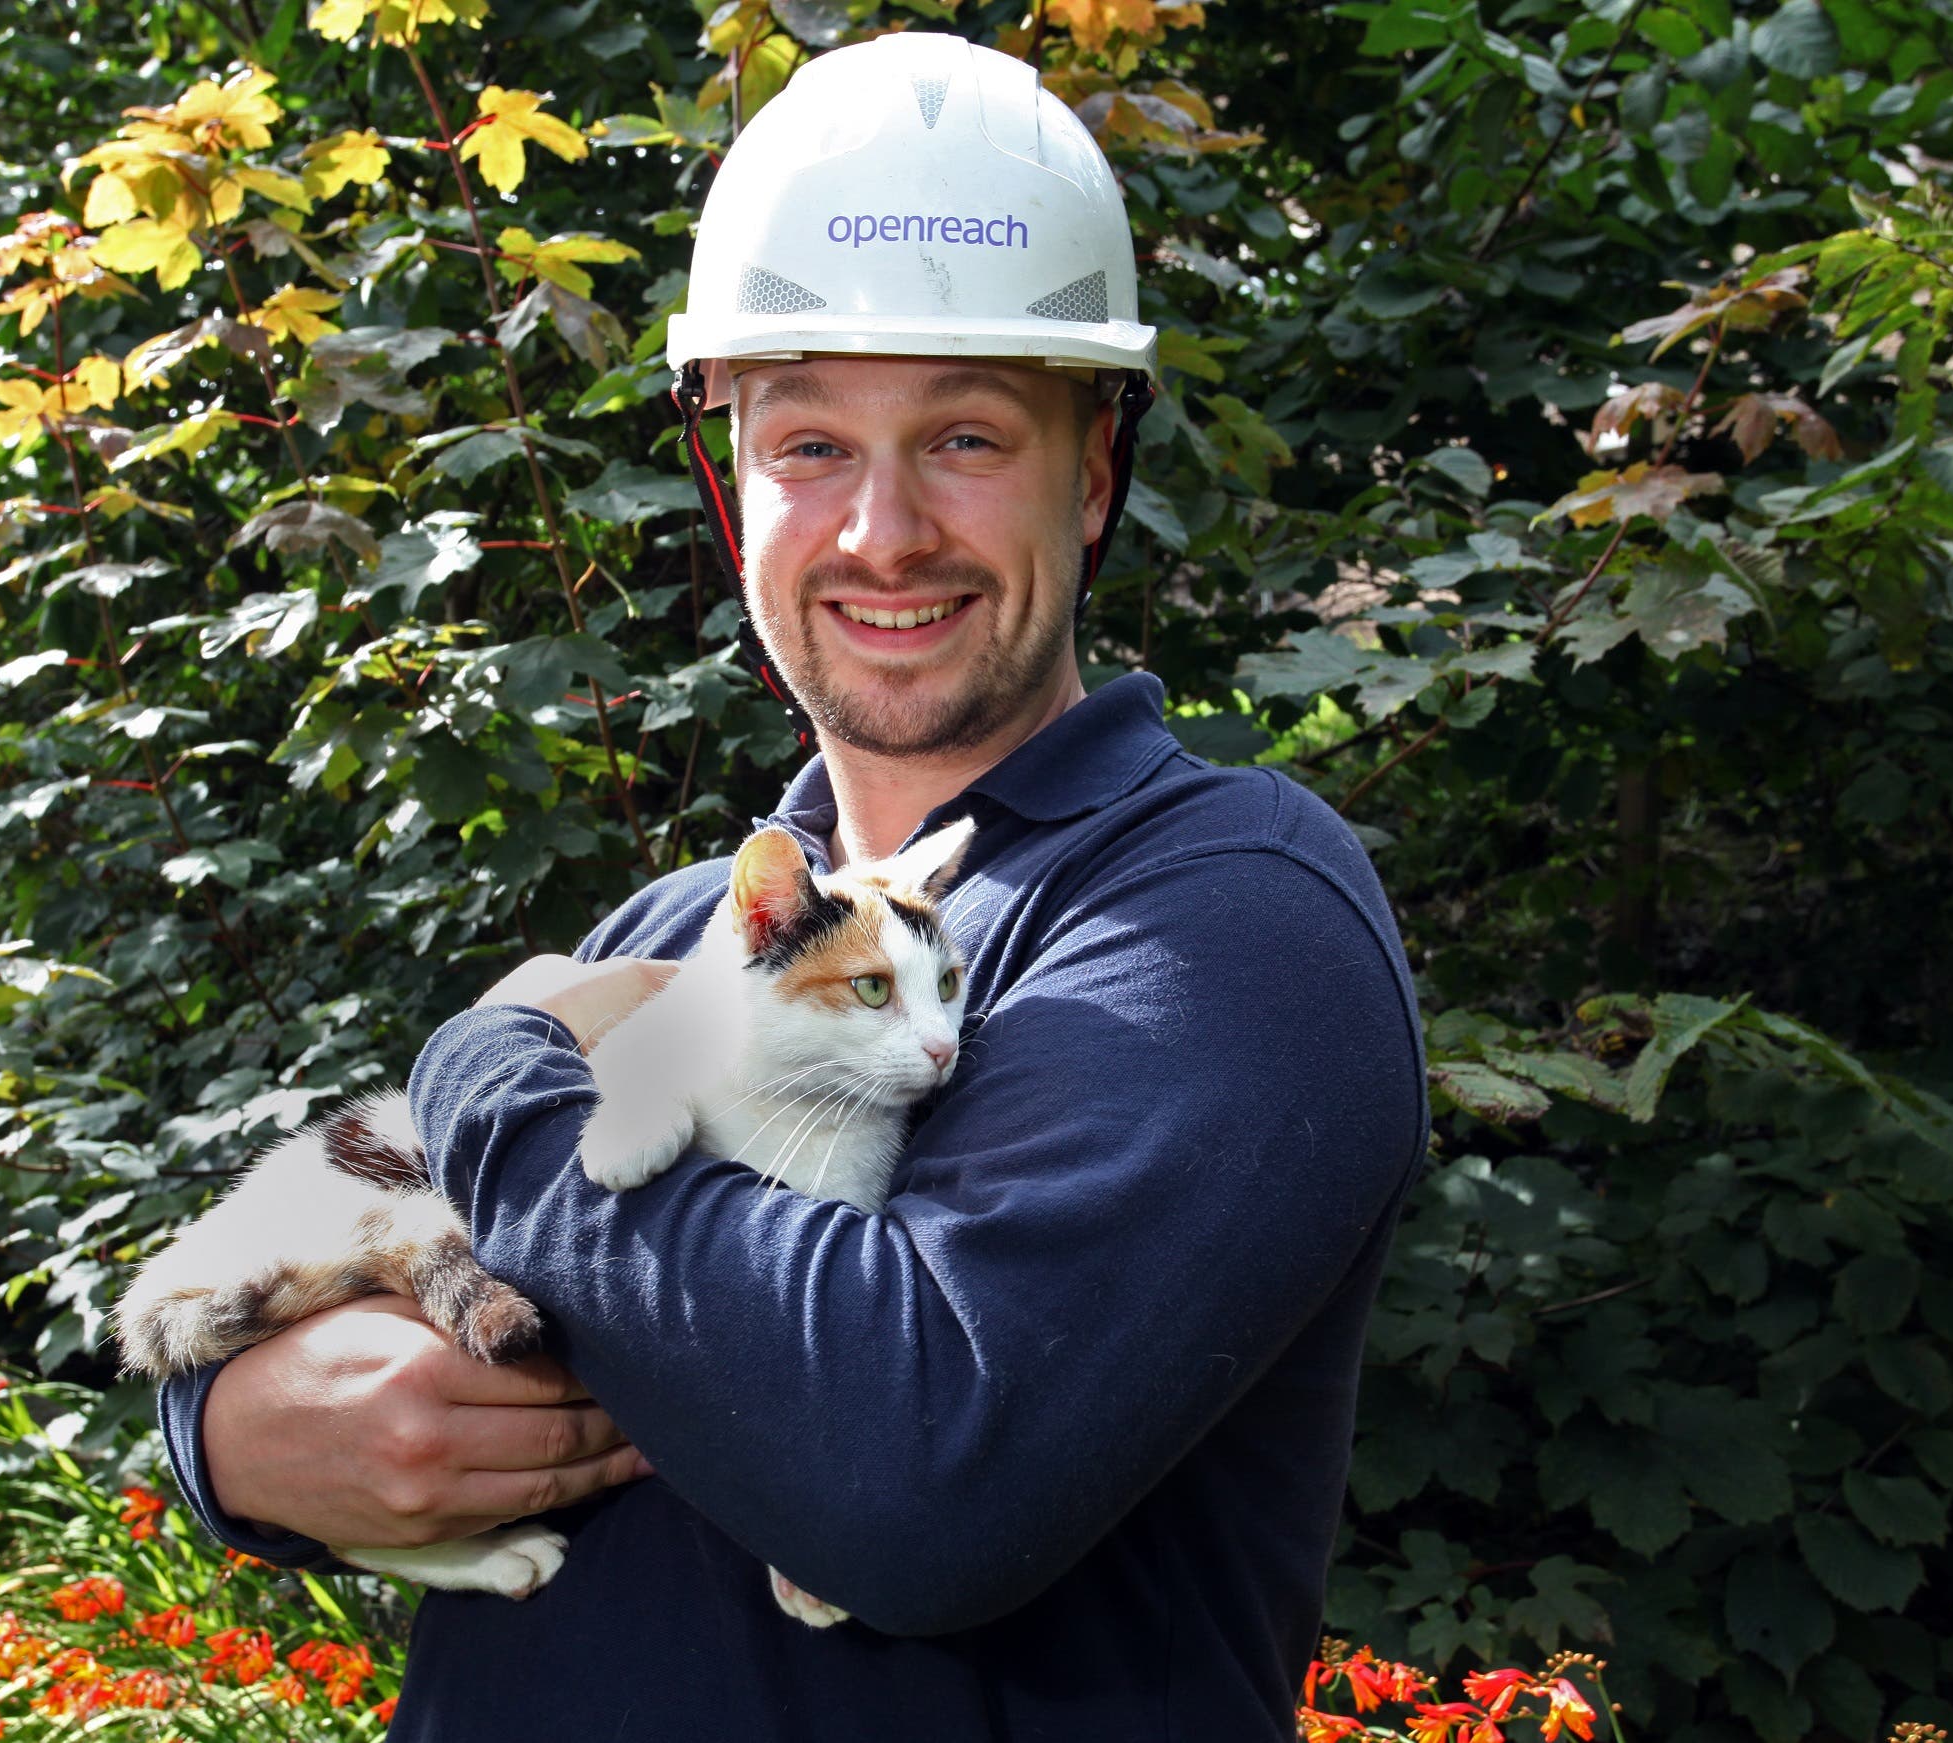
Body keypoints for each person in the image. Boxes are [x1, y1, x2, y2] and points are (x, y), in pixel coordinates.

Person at [160, 32, 1425, 1740]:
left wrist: (490, 1080)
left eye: (966, 437)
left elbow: (914, 1480)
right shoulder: (676, 931)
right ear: (727, 481)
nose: (879, 532)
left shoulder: (1224, 915)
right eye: (808, 443)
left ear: (1095, 471)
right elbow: (373, 1265)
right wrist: (235, 1438)